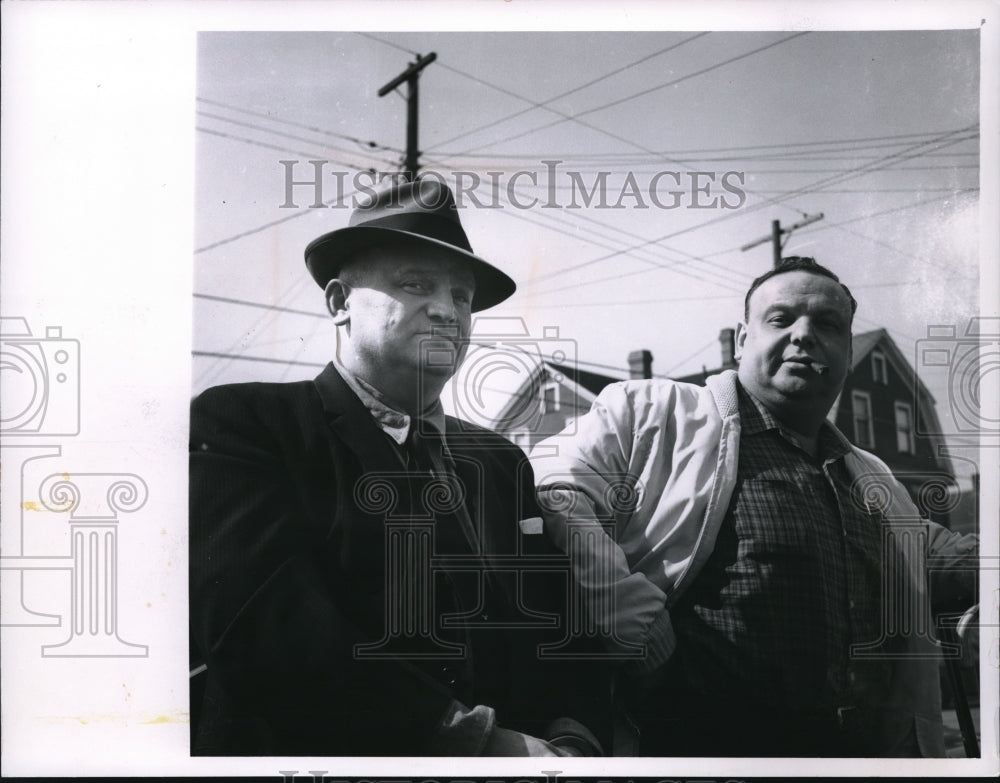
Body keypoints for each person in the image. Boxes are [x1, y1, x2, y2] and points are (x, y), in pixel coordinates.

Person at [189, 177, 607, 756]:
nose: (447, 311)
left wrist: (576, 731)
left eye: (462, 296)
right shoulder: (247, 425)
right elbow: (263, 632)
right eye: (415, 285)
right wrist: (484, 745)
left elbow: (561, 615)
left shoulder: (499, 461)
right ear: (339, 303)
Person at [531, 257, 978, 757]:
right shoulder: (653, 413)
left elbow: (935, 553)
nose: (804, 335)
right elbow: (556, 489)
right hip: (701, 750)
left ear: (847, 352)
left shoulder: (869, 474)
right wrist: (631, 618)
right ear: (743, 339)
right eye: (781, 319)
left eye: (827, 324)